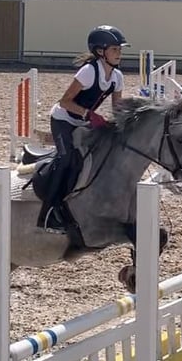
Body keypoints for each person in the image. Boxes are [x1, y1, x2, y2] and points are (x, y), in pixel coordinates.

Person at [38, 25, 129, 233]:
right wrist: (90, 115)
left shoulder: (118, 77)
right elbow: (64, 102)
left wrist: (122, 125)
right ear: (100, 52)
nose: (119, 54)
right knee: (66, 158)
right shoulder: (88, 72)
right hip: (63, 119)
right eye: (115, 49)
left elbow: (117, 108)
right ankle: (48, 213)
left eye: (120, 50)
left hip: (84, 122)